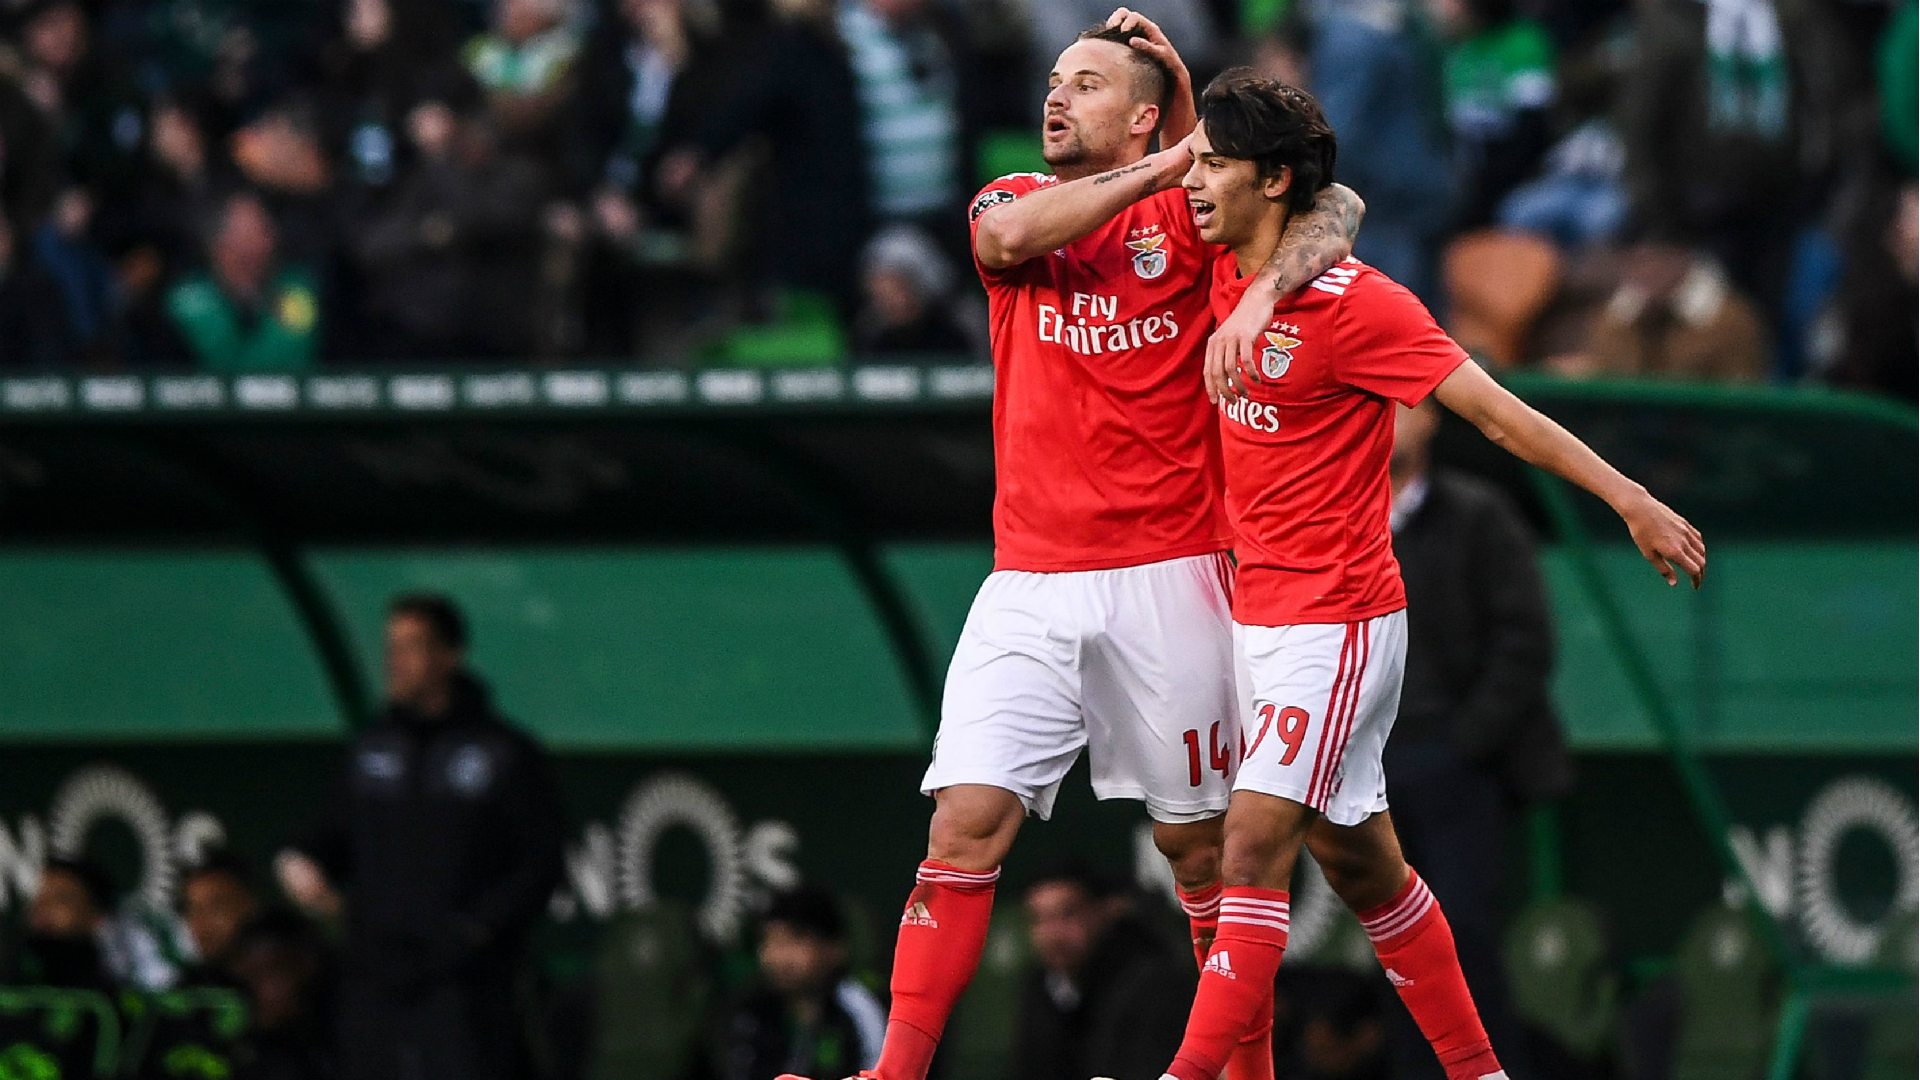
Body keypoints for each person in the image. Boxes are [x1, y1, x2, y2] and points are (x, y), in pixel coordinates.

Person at [777, 13, 1365, 1080]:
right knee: (962, 826)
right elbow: (1005, 245)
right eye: (1053, 80)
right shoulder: (1010, 202)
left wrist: (1250, 259)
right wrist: (1168, 161)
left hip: (1175, 570)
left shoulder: (1195, 216)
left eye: (1086, 84)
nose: (1056, 98)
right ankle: (893, 1073)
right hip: (1031, 583)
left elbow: (1336, 210)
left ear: (1140, 116)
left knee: (1198, 848)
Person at [1153, 69, 1705, 1080]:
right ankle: (1481, 1073)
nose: (1193, 183)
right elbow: (1339, 200)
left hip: (1340, 620)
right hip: (1258, 618)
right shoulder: (1224, 259)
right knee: (1368, 872)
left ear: (1271, 182)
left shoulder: (1366, 310)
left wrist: (1628, 496)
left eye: (1214, 165)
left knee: (1249, 844)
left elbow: (1500, 414)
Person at [276, 593, 566, 1080]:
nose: (396, 662)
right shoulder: (371, 748)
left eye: (411, 647)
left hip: (462, 984)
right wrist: (302, 860)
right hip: (372, 977)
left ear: (448, 656)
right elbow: (332, 833)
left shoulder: (502, 752)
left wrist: (475, 930)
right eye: (391, 647)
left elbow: (540, 862)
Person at [1384, 398, 1568, 1080]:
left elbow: (1526, 640)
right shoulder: (1336, 513)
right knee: (1391, 952)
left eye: (1401, 408)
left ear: (1432, 419)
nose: (1387, 421)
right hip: (1369, 769)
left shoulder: (1478, 514)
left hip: (1457, 767)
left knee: (1462, 938)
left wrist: (1469, 741)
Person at [1007, 866, 1190, 1080]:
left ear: (1103, 912)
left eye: (1067, 914)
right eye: (1039, 919)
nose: (1053, 935)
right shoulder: (1042, 987)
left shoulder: (1151, 983)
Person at [716, 888, 886, 1080]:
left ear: (834, 949)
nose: (778, 957)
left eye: (795, 940)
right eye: (770, 941)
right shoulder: (749, 1011)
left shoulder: (860, 1009)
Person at [165, 191, 323, 372]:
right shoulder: (186, 301)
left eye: (265, 229)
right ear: (217, 244)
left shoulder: (296, 291)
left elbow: (293, 356)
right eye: (248, 233)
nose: (264, 241)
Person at [180, 850, 265, 982]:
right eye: (194, 910)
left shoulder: (290, 978)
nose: (201, 922)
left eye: (216, 908)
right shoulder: (189, 993)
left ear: (251, 906)